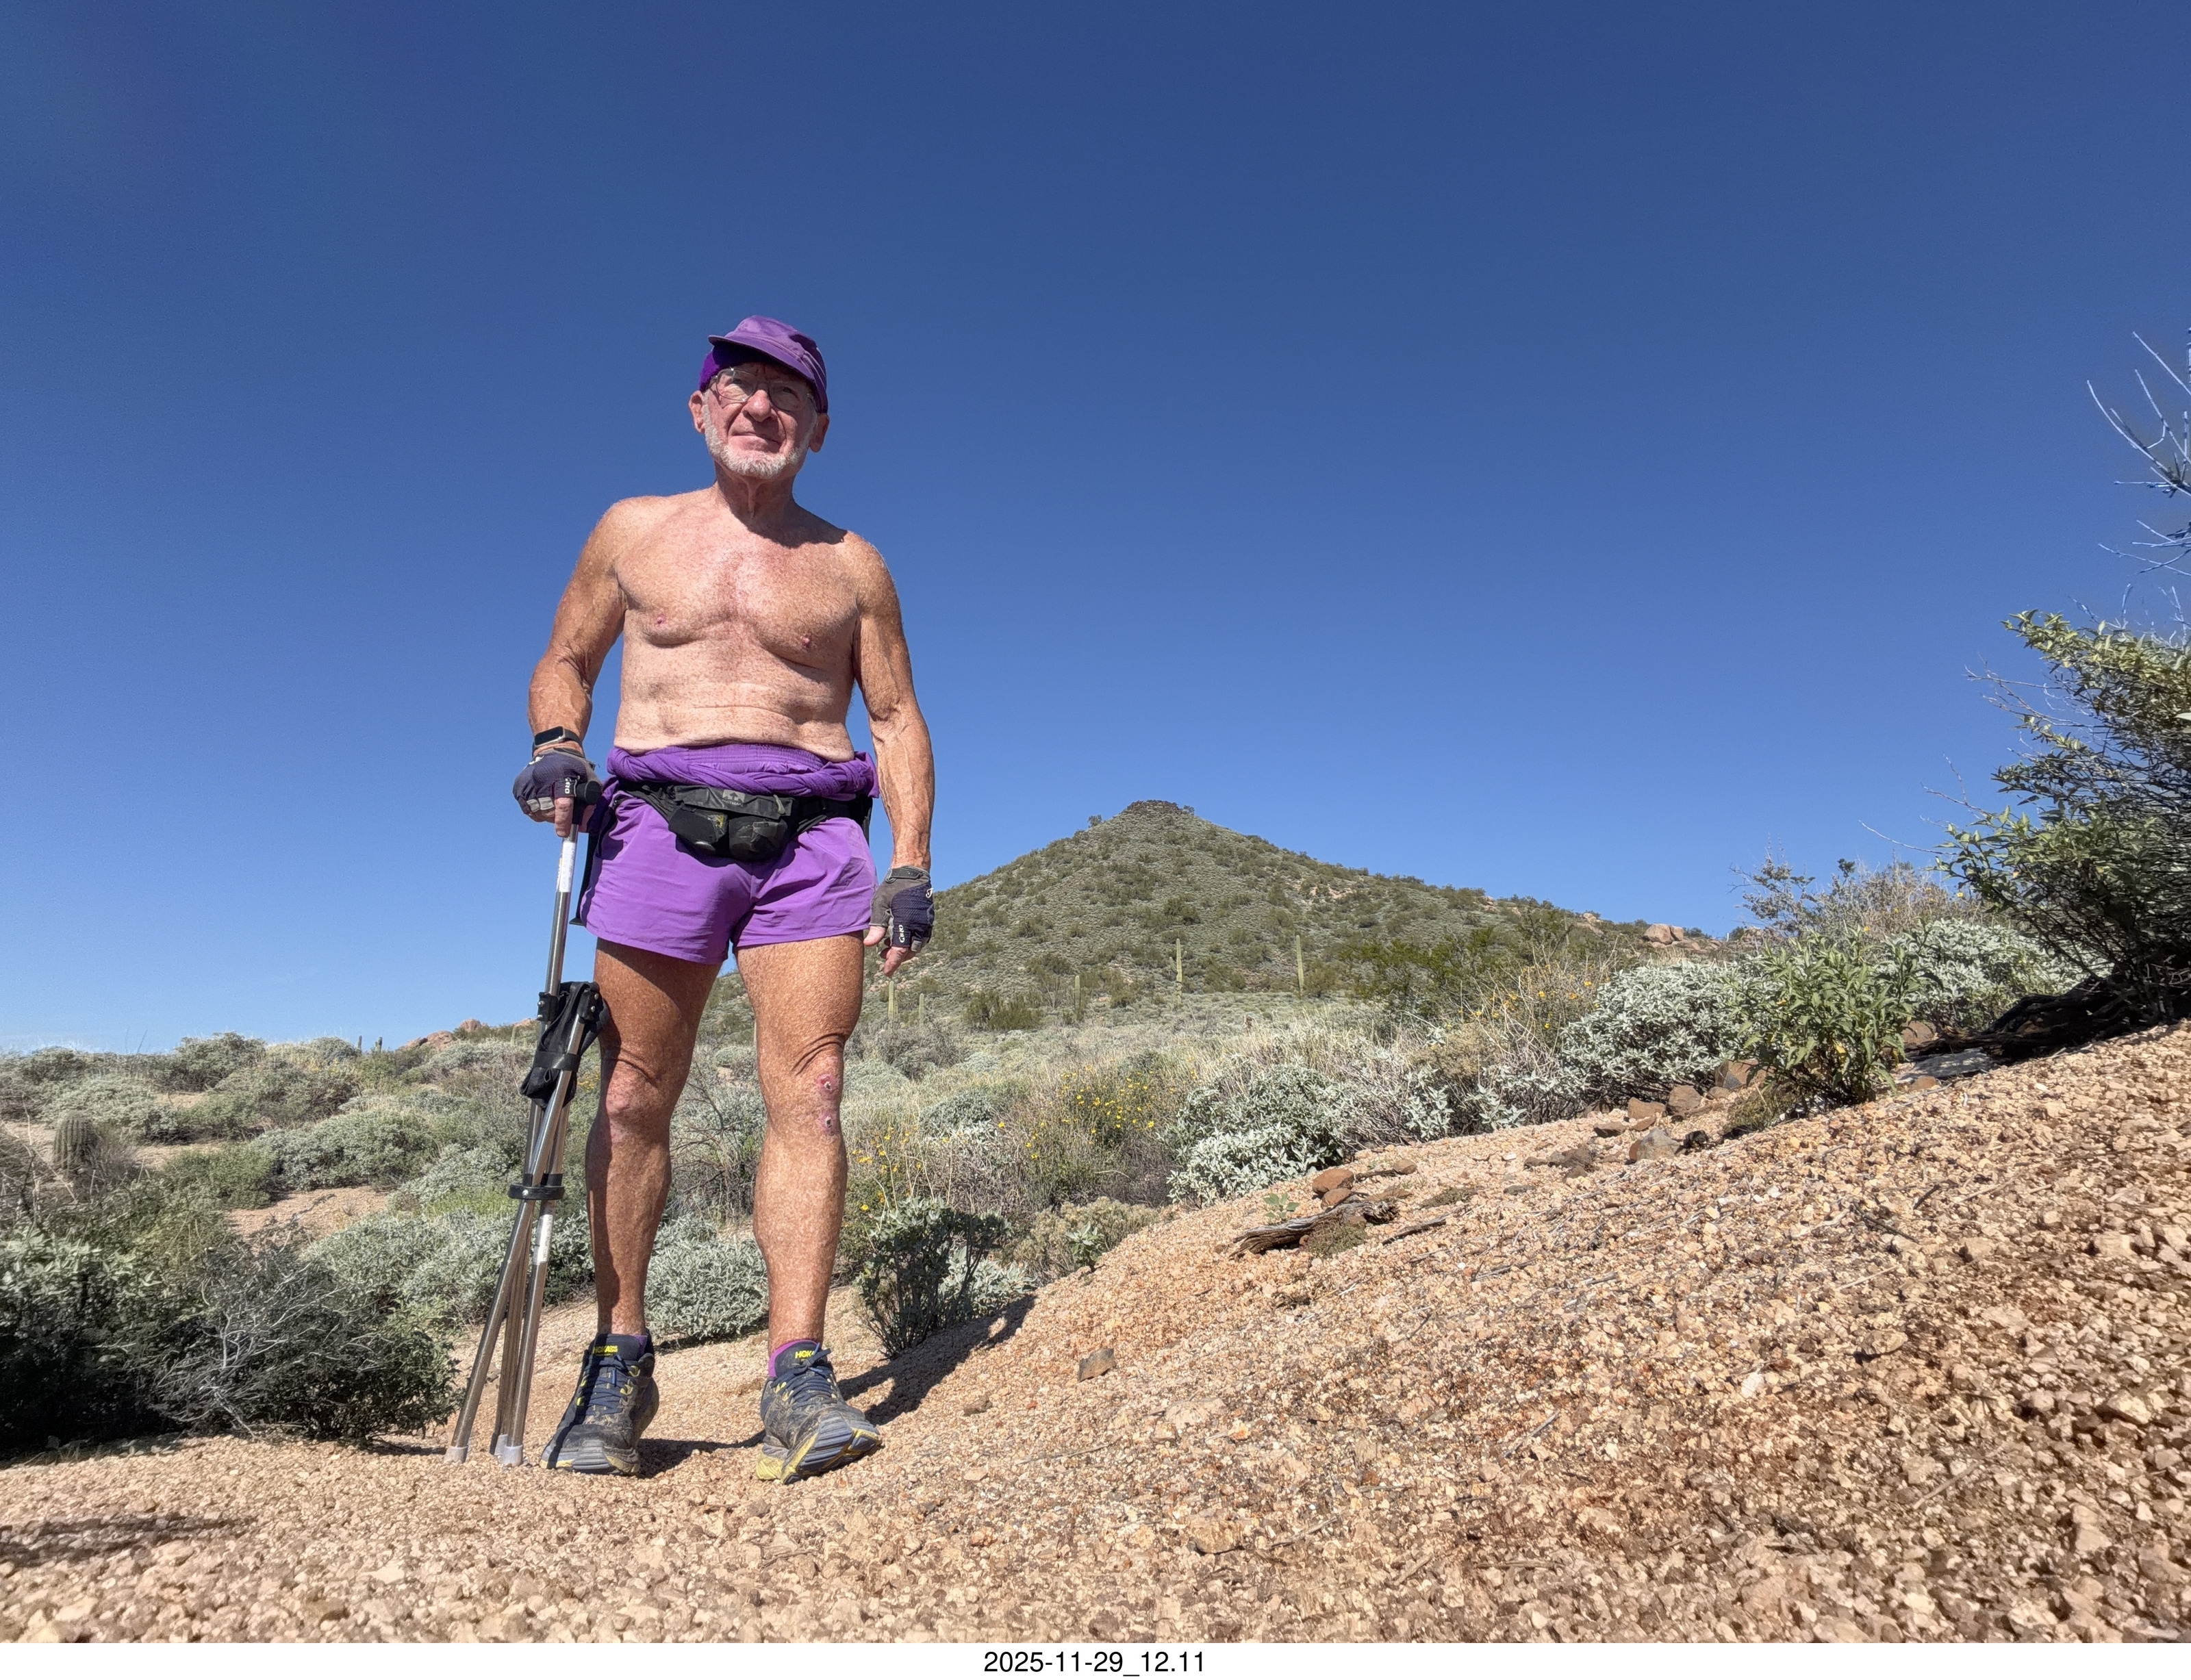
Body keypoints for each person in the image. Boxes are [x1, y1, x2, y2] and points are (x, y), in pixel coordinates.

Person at [511, 316, 935, 1480]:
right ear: (700, 408)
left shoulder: (852, 564)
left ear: (820, 428)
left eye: (789, 394)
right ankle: (619, 1357)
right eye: (740, 386)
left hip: (810, 835)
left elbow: (896, 716)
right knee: (633, 1091)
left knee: (814, 1088)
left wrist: (909, 864)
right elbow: (567, 659)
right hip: (659, 821)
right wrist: (557, 742)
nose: (762, 407)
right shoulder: (634, 532)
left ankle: (798, 1368)